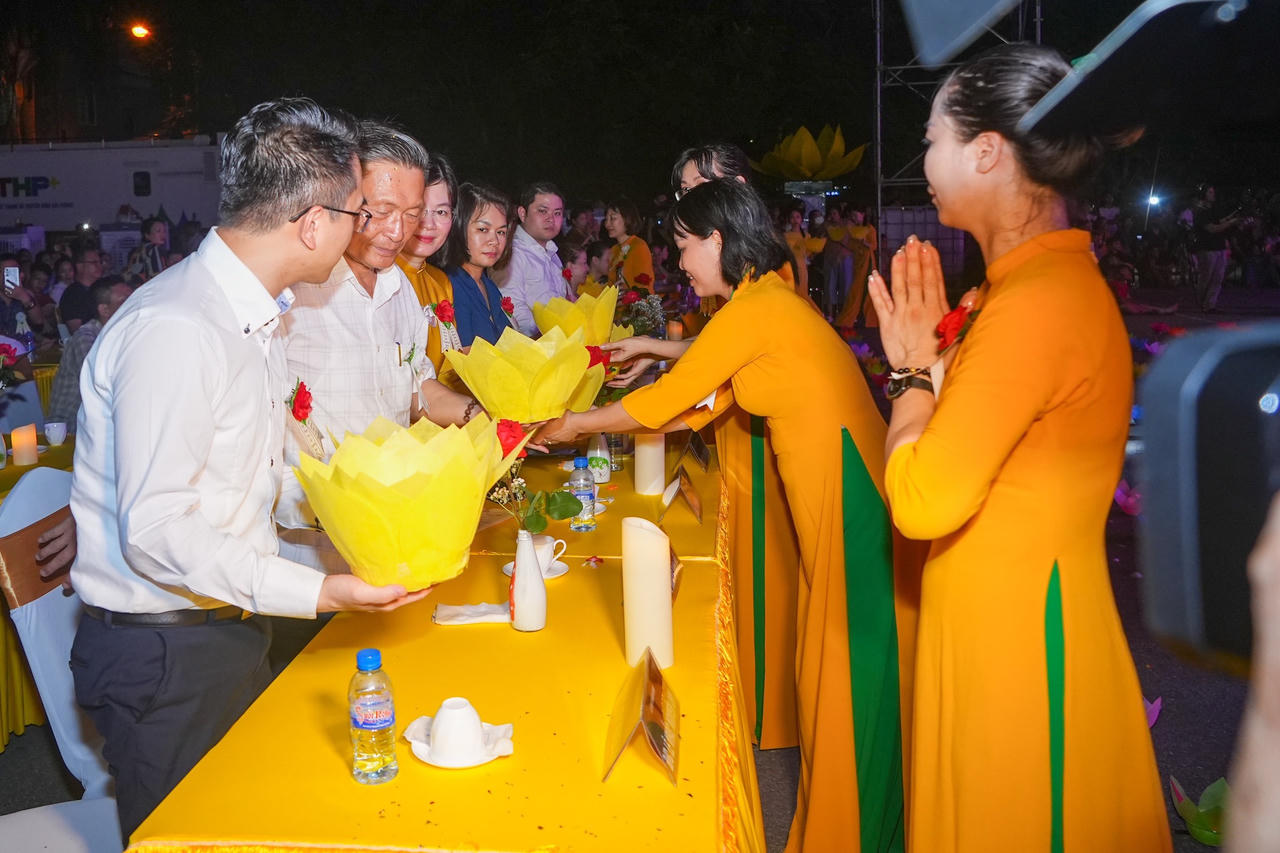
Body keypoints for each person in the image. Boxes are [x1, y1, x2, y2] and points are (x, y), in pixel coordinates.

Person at [68, 97, 431, 838]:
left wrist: (369, 511)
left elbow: (259, 483)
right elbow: (159, 530)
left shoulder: (257, 318)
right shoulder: (177, 326)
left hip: (224, 630)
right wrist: (323, 587)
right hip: (164, 652)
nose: (369, 229)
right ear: (312, 223)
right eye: (359, 211)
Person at [545, 179, 915, 853]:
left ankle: (857, 833)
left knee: (851, 668)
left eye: (686, 247)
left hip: (849, 493)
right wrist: (628, 390)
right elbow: (702, 401)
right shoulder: (758, 302)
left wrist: (574, 423)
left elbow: (673, 401)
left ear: (718, 240)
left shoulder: (757, 308)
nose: (679, 262)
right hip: (836, 488)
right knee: (837, 664)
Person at [866, 43, 1170, 851]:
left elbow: (926, 495)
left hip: (1022, 653)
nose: (922, 159)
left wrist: (908, 380)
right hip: (993, 627)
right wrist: (935, 360)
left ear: (988, 151)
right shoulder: (1020, 290)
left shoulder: (1036, 304)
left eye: (932, 138)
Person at [276, 121, 480, 580]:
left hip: (394, 539)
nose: (397, 231)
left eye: (412, 214)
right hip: (309, 559)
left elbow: (416, 389)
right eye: (382, 210)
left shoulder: (398, 287)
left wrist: (480, 417)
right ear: (344, 197)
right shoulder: (295, 293)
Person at [394, 153, 460, 372]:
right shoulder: (379, 279)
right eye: (419, 210)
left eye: (441, 212)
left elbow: (447, 370)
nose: (428, 224)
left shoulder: (440, 282)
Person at [46, 276, 133, 428]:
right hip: (71, 429)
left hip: (98, 421)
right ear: (104, 310)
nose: (133, 306)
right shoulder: (85, 338)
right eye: (124, 302)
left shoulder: (121, 335)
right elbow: (99, 385)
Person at [441, 182, 515, 346]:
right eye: (483, 229)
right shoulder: (448, 286)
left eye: (501, 232)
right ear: (458, 226)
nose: (494, 241)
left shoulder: (491, 288)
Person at [496, 181, 571, 335]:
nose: (551, 219)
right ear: (522, 213)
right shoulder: (513, 253)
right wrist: (547, 336)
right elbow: (513, 309)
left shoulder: (552, 253)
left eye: (557, 213)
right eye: (543, 211)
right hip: (536, 346)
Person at [1192, 185, 1242, 312]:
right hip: (1207, 248)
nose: (1213, 194)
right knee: (1206, 277)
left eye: (1213, 192)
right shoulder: (1201, 211)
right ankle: (1201, 302)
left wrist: (1232, 218)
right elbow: (1212, 228)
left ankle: (1210, 305)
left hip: (1219, 247)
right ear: (1203, 194)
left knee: (1218, 278)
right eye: (1210, 192)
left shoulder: (1212, 209)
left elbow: (1219, 221)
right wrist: (1230, 222)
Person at [603, 198, 654, 290]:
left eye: (613, 218)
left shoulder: (639, 247)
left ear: (627, 218)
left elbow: (643, 287)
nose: (607, 224)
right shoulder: (614, 250)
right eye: (606, 219)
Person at [57, 246, 102, 333]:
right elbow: (77, 331)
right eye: (94, 262)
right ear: (80, 266)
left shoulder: (103, 288)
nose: (99, 266)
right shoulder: (72, 294)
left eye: (100, 262)